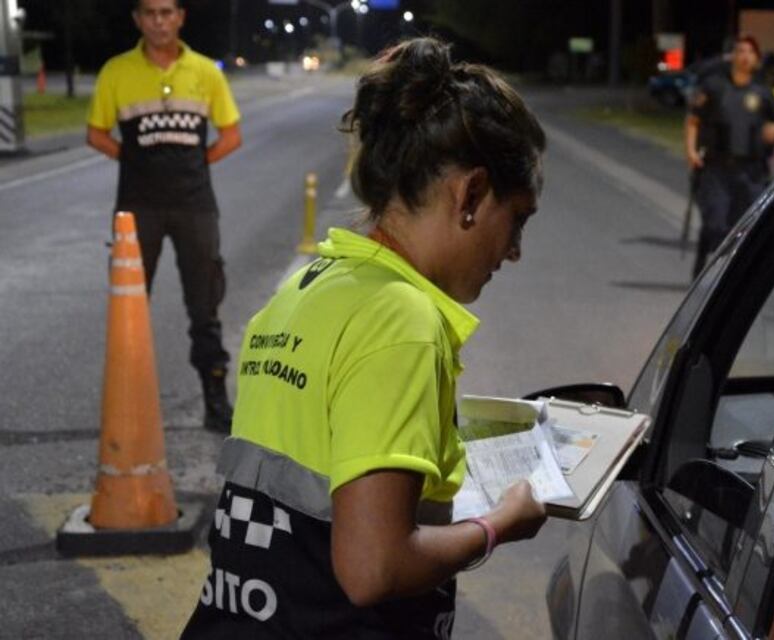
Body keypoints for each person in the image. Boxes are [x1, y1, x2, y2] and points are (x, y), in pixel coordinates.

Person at [180, 37, 548, 638]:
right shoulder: (404, 324)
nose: (513, 250)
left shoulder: (306, 289)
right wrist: (498, 525)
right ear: (473, 194)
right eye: (518, 219)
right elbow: (373, 569)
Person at [87, 0, 242, 432]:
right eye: (150, 13)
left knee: (205, 306)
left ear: (180, 17)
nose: (159, 21)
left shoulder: (206, 72)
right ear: (137, 19)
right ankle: (127, 405)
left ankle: (215, 400)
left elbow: (232, 136)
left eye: (167, 12)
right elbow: (95, 134)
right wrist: (136, 163)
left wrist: (195, 164)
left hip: (195, 207)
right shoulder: (116, 71)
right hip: (137, 209)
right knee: (130, 307)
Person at [685, 35, 774, 278]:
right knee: (716, 224)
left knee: (745, 227)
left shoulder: (763, 93)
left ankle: (728, 276)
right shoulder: (713, 86)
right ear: (733, 57)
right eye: (740, 51)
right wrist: (691, 151)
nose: (745, 57)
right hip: (716, 168)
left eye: (750, 53)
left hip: (751, 171)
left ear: (756, 59)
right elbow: (693, 120)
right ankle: (709, 269)